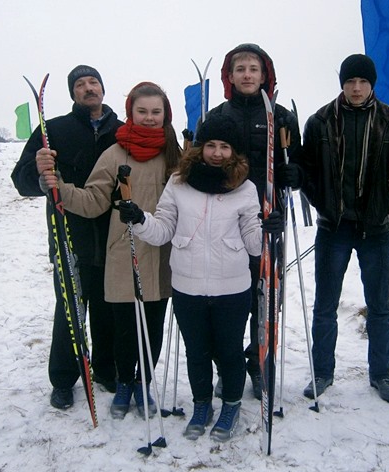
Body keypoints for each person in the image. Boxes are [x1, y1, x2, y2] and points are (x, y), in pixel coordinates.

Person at [118, 113, 283, 441]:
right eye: (211, 145)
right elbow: (163, 229)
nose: (217, 152)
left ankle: (231, 405)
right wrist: (139, 219)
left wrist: (267, 230)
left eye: (225, 147)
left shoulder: (245, 188)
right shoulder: (178, 183)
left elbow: (253, 242)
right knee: (196, 351)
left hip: (232, 288)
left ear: (233, 152)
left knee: (230, 351)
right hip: (187, 286)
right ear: (200, 148)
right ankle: (202, 405)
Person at [41, 81, 182, 419]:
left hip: (162, 254)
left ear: (166, 115)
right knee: (123, 331)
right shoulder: (115, 153)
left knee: (153, 326)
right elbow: (92, 201)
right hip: (124, 254)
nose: (149, 118)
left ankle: (142, 382)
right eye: (142, 111)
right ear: (131, 112)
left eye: (156, 112)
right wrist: (58, 186)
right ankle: (123, 384)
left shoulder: (176, 154)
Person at [298, 54, 389, 404]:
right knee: (325, 305)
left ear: (372, 84)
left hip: (376, 229)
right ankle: (322, 371)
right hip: (334, 228)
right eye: (351, 82)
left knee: (379, 306)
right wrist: (322, 202)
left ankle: (381, 375)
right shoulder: (320, 122)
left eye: (363, 82)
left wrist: (386, 205)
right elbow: (306, 171)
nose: (357, 88)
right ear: (342, 84)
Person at [11, 65, 122, 410]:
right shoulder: (52, 131)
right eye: (80, 84)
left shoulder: (122, 131)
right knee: (71, 310)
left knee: (108, 308)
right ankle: (63, 378)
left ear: (103, 89)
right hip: (68, 236)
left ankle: (106, 370)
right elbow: (22, 179)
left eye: (93, 82)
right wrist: (40, 175)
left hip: (112, 236)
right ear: (73, 92)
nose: (88, 88)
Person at [204, 43, 302, 401]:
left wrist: (295, 173)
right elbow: (201, 167)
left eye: (253, 69)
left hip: (269, 220)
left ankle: (260, 362)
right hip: (225, 224)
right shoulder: (216, 116)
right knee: (228, 301)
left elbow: (299, 164)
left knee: (265, 299)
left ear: (265, 75)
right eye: (240, 68)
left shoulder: (281, 117)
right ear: (229, 76)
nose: (247, 74)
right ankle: (226, 366)